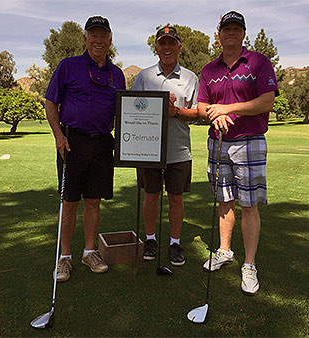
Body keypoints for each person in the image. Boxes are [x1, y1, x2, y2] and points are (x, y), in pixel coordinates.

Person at [198, 11, 279, 295]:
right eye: (226, 29)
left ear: (243, 33)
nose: (230, 33)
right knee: (224, 200)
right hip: (218, 141)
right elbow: (200, 106)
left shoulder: (258, 62)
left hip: (250, 141)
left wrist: (226, 109)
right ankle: (224, 251)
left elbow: (266, 101)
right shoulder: (209, 70)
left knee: (249, 204)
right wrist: (213, 115)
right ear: (218, 34)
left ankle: (249, 264)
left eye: (236, 28)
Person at [45, 16, 126, 282]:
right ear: (85, 38)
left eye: (104, 35)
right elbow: (50, 102)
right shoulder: (68, 66)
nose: (99, 40)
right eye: (94, 35)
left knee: (94, 201)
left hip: (103, 143)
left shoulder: (117, 74)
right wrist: (58, 136)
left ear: (110, 40)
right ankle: (64, 257)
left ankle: (89, 251)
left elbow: (123, 112)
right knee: (70, 203)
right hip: (72, 142)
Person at [132, 26, 199, 266]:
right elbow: (131, 109)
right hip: (148, 150)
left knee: (176, 198)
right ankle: (150, 239)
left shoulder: (191, 78)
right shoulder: (144, 76)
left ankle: (174, 242)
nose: (167, 47)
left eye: (172, 43)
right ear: (156, 48)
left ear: (179, 47)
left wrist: (176, 111)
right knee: (151, 195)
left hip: (179, 150)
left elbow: (198, 113)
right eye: (163, 43)